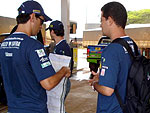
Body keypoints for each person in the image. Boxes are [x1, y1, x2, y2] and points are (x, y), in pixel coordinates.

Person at [0, 1, 70, 113]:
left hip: (13, 108)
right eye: (41, 21)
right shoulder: (33, 46)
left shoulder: (3, 45)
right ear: (32, 17)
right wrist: (63, 70)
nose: (41, 26)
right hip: (34, 109)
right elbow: (48, 83)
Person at [89, 2, 136, 113]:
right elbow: (122, 75)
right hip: (129, 107)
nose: (101, 25)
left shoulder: (111, 50)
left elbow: (107, 90)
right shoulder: (132, 44)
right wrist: (103, 77)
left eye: (101, 20)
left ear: (109, 20)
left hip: (112, 109)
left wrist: (95, 83)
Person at [46, 20, 72, 112]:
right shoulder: (60, 46)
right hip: (59, 81)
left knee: (57, 107)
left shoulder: (62, 48)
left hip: (61, 82)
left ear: (52, 32)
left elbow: (65, 70)